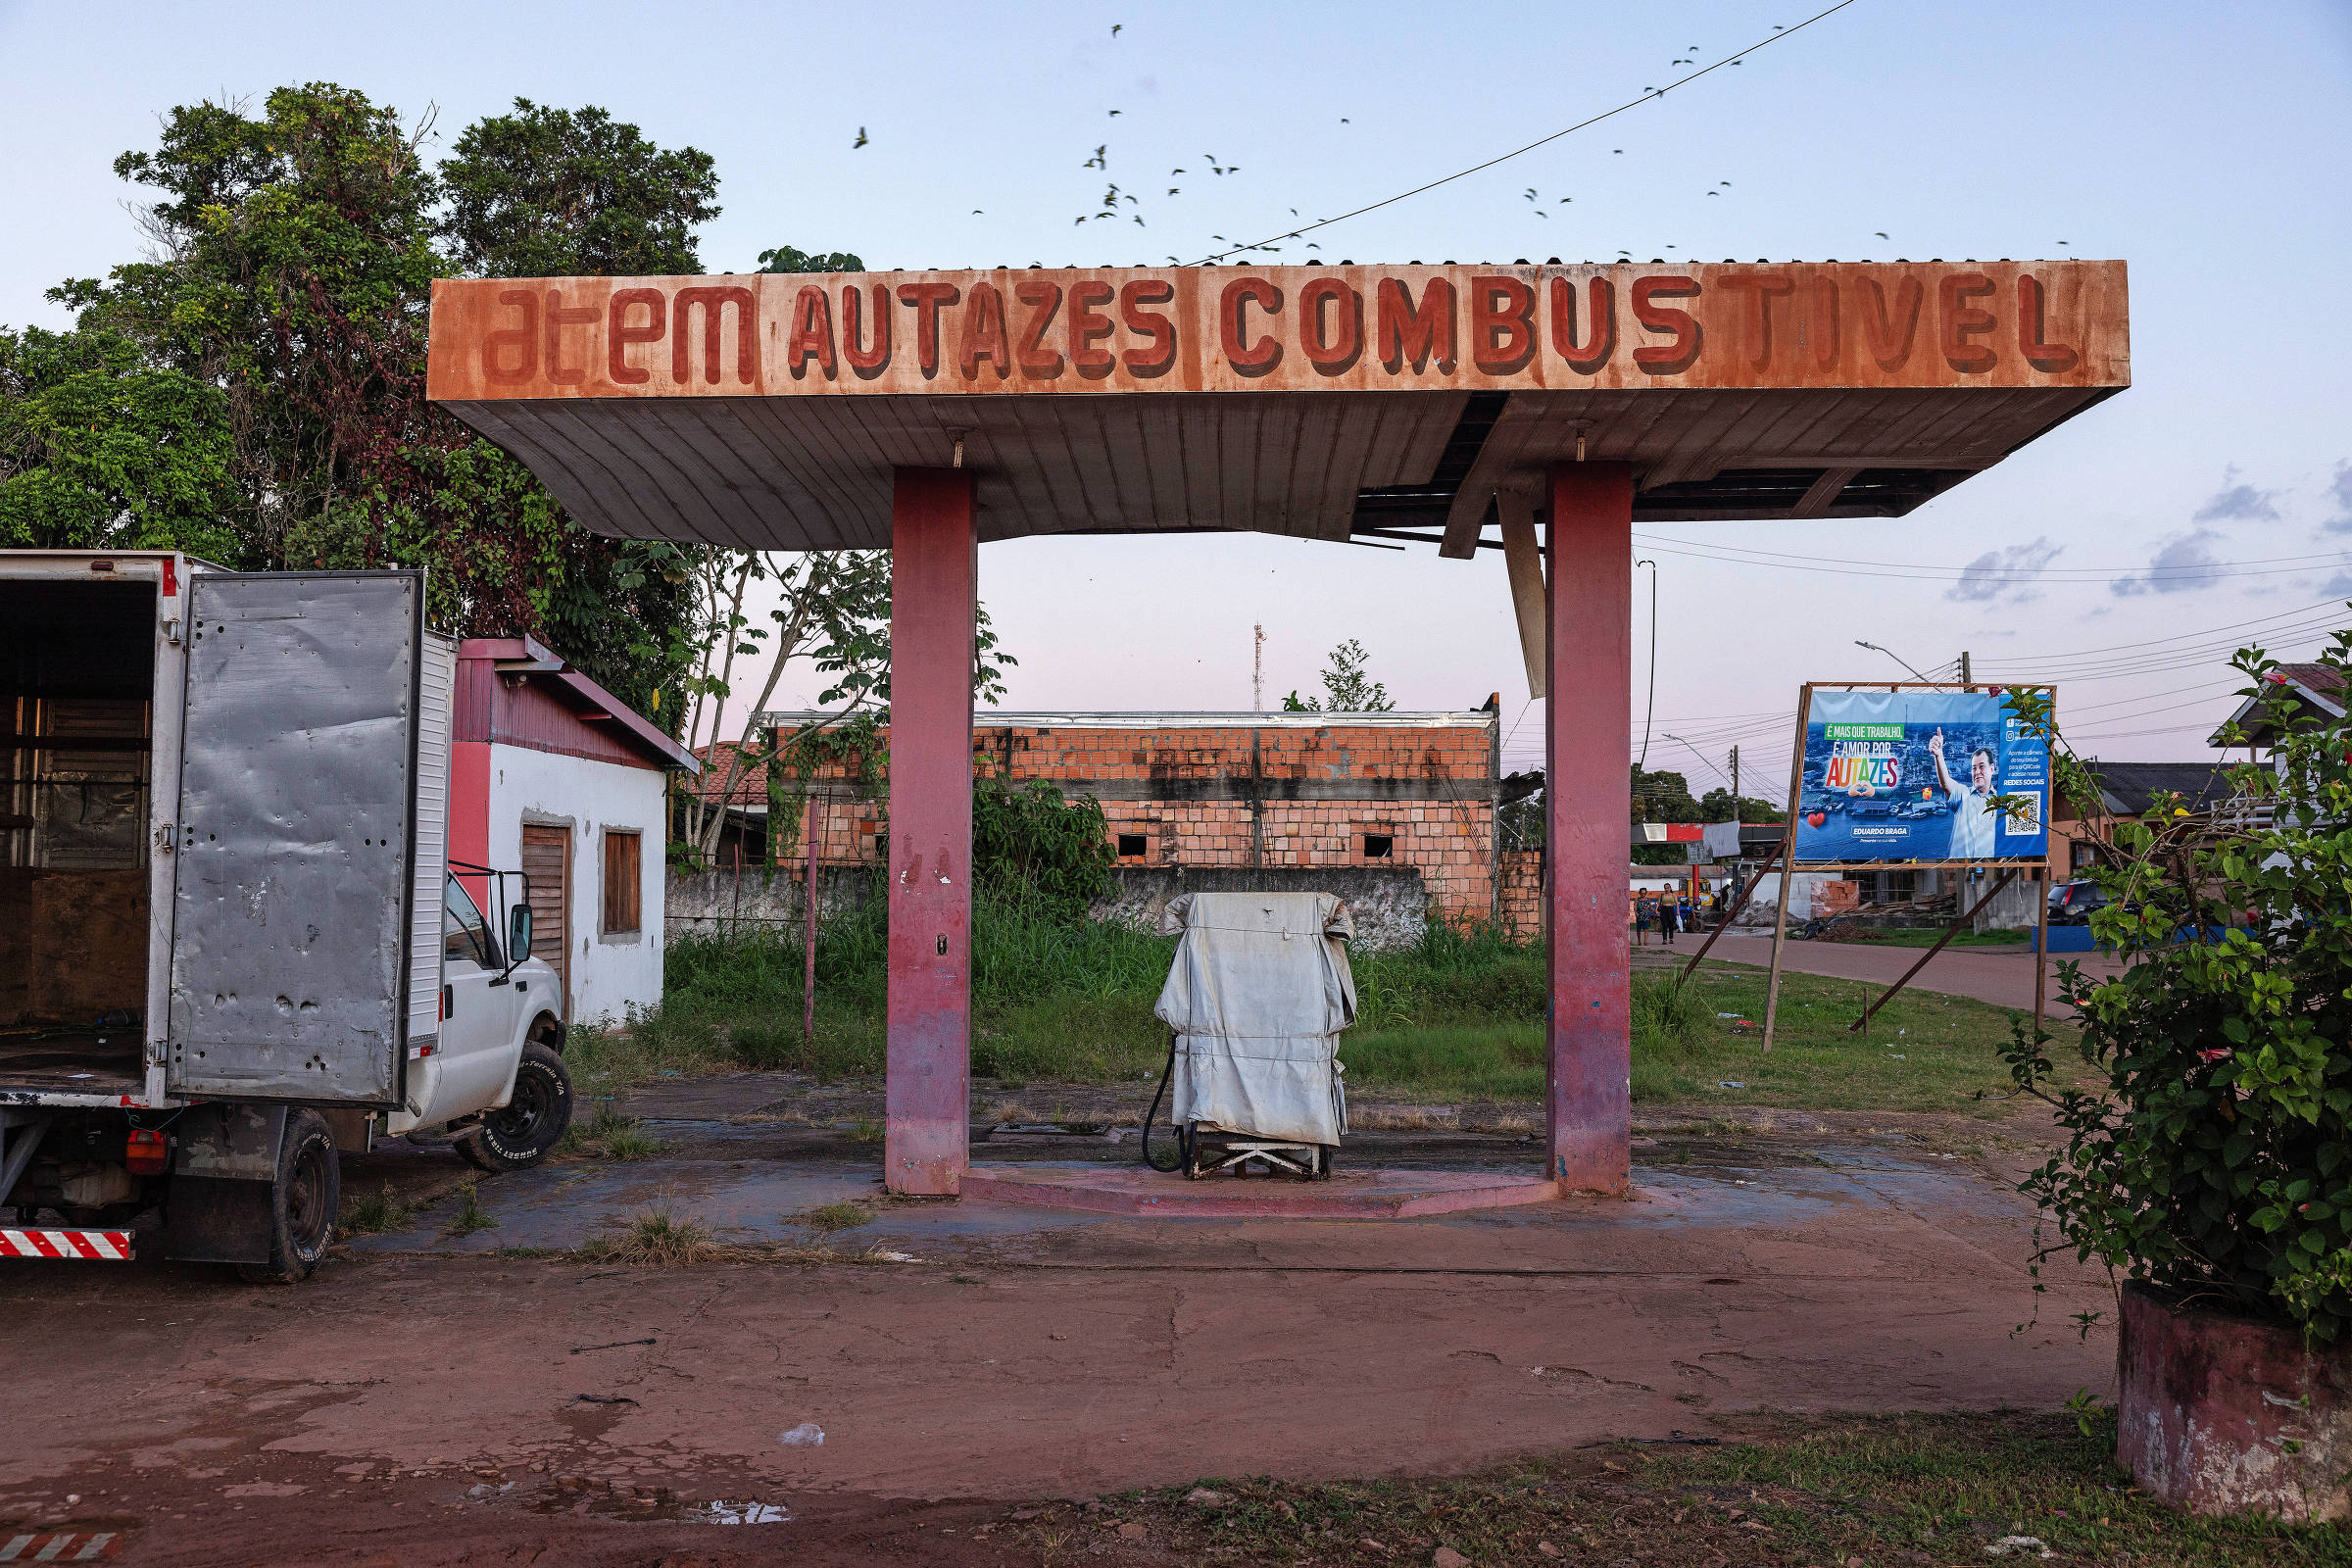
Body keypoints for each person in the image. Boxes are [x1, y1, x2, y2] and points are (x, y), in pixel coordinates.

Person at [1929, 727, 1999, 859]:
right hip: (1957, 866)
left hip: (1990, 865)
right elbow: (1945, 784)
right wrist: (1939, 755)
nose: (1977, 772)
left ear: (1992, 768)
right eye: (1974, 768)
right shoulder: (1962, 794)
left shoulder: (2001, 802)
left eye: (1981, 766)